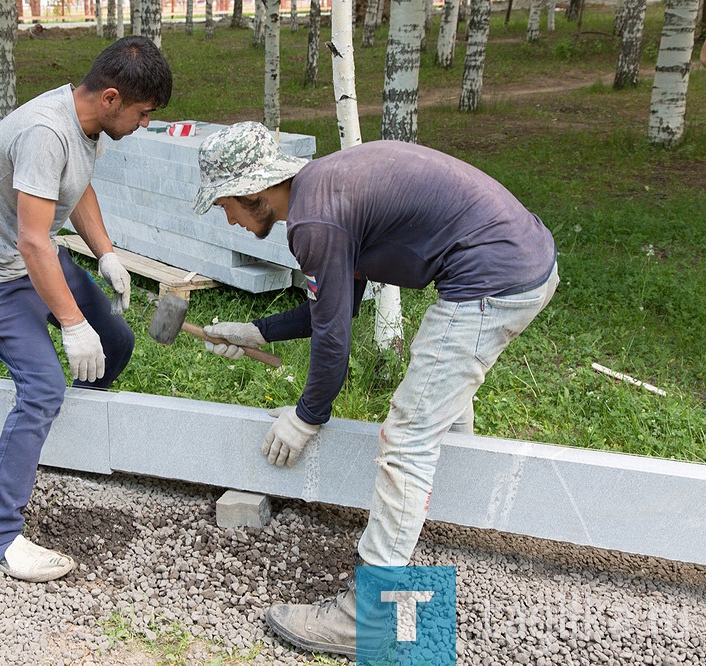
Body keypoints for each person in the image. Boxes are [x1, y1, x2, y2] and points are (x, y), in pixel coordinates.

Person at [193, 122, 559, 658]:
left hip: (490, 280)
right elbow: (338, 305)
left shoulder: (315, 221)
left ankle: (370, 617)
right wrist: (258, 333)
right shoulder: (328, 188)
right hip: (519, 259)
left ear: (254, 194)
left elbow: (334, 340)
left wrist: (306, 416)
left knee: (408, 436)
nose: (227, 217)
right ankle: (429, 528)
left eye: (226, 204)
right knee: (436, 405)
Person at [0, 36, 172, 583]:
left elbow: (76, 192)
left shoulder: (86, 125)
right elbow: (31, 242)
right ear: (113, 98)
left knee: (116, 343)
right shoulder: (46, 133)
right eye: (144, 114)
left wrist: (107, 254)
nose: (145, 124)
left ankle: (46, 445)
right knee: (45, 386)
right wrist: (72, 325)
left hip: (38, 262)